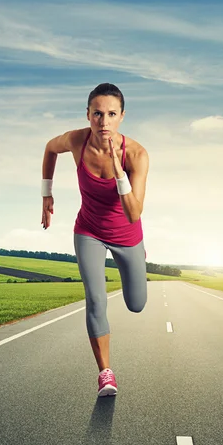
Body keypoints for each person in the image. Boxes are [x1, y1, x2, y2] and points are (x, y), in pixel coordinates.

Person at [40, 83, 149, 398]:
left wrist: (119, 172)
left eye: (111, 114)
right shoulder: (77, 140)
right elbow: (49, 148)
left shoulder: (137, 155)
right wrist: (46, 194)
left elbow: (132, 213)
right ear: (87, 115)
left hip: (128, 234)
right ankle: (105, 373)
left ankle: (138, 256)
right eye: (97, 114)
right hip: (88, 230)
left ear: (122, 117)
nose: (104, 122)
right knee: (96, 300)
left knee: (137, 304)